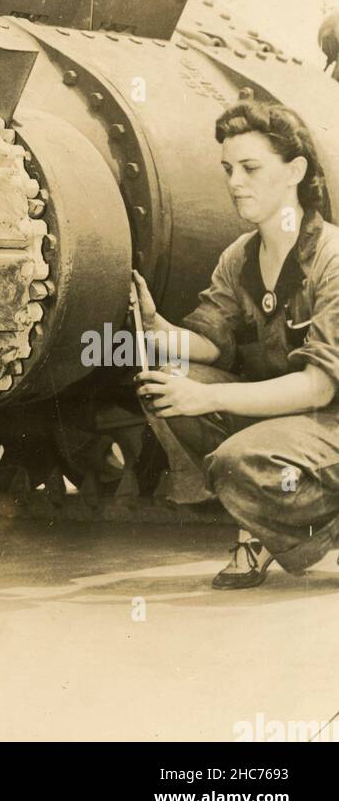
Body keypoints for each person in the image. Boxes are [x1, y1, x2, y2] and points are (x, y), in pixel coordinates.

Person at [134, 100, 339, 589]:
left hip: (329, 417)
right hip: (291, 420)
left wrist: (210, 397)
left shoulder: (332, 257)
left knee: (235, 458)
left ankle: (311, 526)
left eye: (250, 168)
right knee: (164, 386)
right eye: (228, 169)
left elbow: (318, 388)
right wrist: (156, 326)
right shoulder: (240, 257)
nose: (234, 182)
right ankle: (267, 524)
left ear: (295, 171)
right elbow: (212, 340)